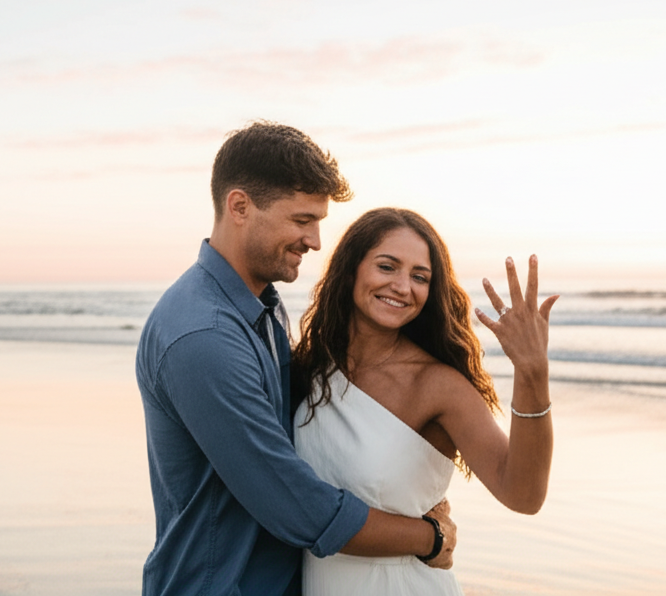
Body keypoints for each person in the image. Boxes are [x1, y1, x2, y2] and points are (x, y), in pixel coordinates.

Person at [135, 123, 455, 596]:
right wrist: (427, 537)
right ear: (239, 206)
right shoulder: (204, 337)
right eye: (302, 220)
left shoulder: (264, 305)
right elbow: (293, 504)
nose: (315, 240)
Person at [291, 207, 558, 595]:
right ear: (351, 270)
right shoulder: (309, 370)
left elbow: (524, 495)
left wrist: (532, 373)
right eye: (387, 267)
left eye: (420, 277)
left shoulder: (438, 385)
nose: (403, 286)